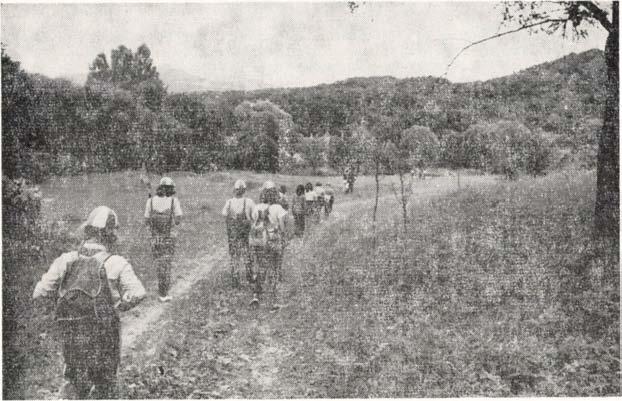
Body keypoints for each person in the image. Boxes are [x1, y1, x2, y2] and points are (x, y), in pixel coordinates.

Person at [33, 206, 146, 399]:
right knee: (105, 381)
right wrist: (120, 306)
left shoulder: (66, 260)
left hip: (71, 329)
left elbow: (39, 293)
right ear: (110, 235)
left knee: (75, 377)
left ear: (87, 231)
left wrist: (63, 303)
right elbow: (138, 293)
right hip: (103, 331)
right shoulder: (117, 262)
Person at [144, 177, 182, 302]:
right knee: (167, 264)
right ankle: (164, 292)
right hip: (168, 237)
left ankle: (162, 291)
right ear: (170, 189)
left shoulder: (150, 201)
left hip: (155, 238)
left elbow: (146, 221)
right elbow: (177, 221)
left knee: (159, 264)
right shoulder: (173, 201)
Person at [249, 186, 288, 306]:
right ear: (276, 195)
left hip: (259, 242)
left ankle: (256, 296)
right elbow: (282, 227)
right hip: (273, 241)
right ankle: (274, 301)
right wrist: (284, 238)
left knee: (260, 267)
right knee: (274, 269)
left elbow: (253, 222)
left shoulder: (256, 207)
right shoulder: (278, 208)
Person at [222, 179, 255, 286]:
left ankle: (235, 278)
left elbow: (224, 214)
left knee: (234, 255)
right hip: (245, 233)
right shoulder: (249, 201)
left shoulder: (229, 202)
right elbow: (255, 216)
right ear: (244, 190)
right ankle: (250, 277)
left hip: (233, 233)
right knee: (247, 254)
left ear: (235, 190)